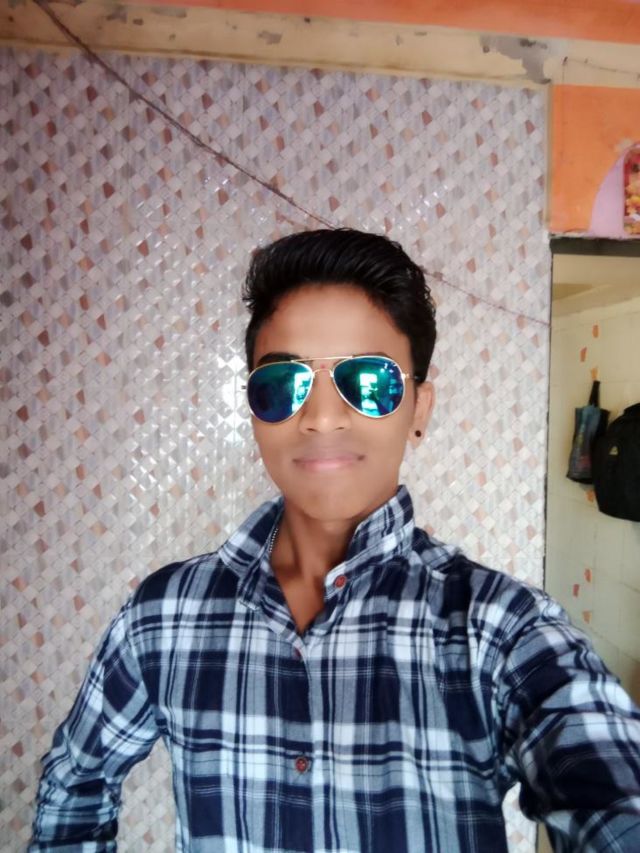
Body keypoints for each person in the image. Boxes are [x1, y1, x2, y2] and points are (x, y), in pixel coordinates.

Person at [30, 229, 640, 852]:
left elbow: (614, 799)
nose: (321, 417)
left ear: (419, 407)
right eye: (282, 383)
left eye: (369, 380)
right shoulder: (163, 617)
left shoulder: (500, 630)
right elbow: (74, 785)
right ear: (253, 409)